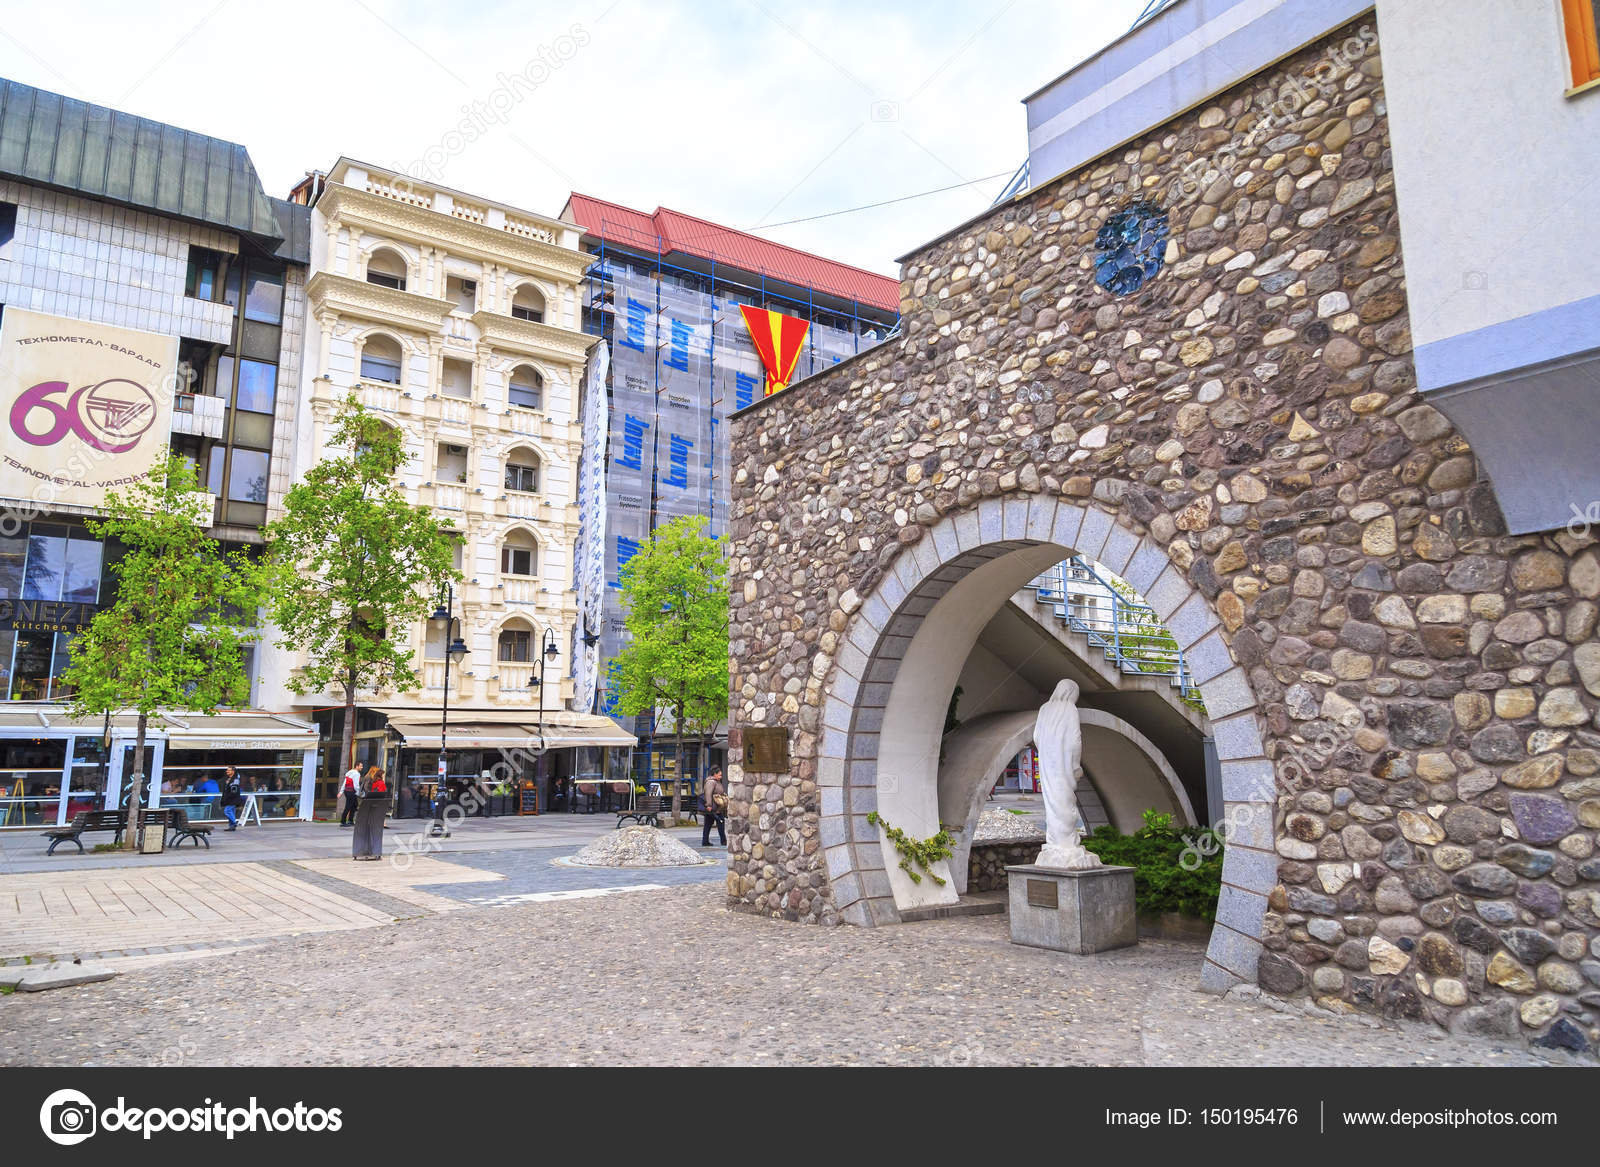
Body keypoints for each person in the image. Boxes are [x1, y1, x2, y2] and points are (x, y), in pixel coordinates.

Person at [352, 766, 388, 860]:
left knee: (371, 826)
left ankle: (370, 851)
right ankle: (367, 851)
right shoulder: (370, 779)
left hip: (369, 803)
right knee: (368, 826)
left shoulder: (372, 780)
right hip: (368, 803)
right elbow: (368, 790)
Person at [700, 768, 727, 848]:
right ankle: (723, 840)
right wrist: (708, 805)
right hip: (713, 807)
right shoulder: (710, 782)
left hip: (717, 807)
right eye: (719, 774)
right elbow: (708, 794)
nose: (721, 776)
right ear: (714, 774)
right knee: (720, 822)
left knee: (708, 824)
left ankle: (705, 841)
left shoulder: (716, 782)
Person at [218, 766, 243, 831]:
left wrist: (228, 797)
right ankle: (231, 827)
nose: (227, 771)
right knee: (232, 811)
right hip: (229, 799)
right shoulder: (228, 778)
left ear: (233, 771)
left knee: (227, 811)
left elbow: (234, 791)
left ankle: (234, 823)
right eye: (227, 770)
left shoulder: (235, 779)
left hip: (233, 799)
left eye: (229, 770)